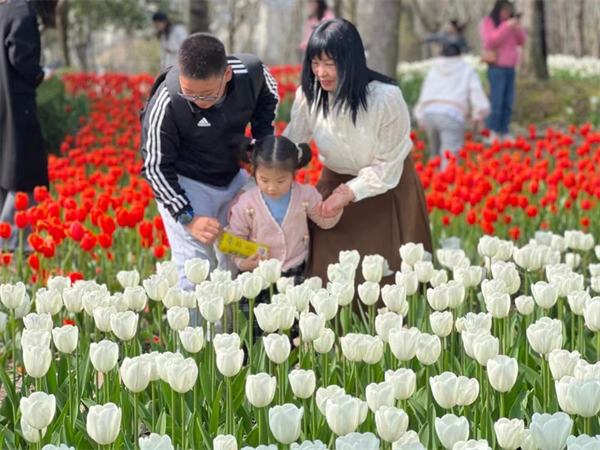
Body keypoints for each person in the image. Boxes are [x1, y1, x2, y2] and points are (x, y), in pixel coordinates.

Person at [284, 19, 433, 292]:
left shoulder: (385, 97)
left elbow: (388, 163)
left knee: (385, 278)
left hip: (387, 188)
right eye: (315, 63)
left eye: (329, 63)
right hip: (333, 188)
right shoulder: (310, 95)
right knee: (328, 276)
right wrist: (271, 164)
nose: (321, 72)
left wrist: (347, 193)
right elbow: (294, 141)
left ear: (350, 60)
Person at [140, 33, 279, 291]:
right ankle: (194, 330)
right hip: (185, 184)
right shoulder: (167, 100)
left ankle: (230, 328)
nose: (198, 102)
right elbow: (154, 166)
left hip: (231, 176)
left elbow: (268, 96)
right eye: (189, 93)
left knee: (242, 257)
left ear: (226, 75)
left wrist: (262, 143)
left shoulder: (252, 73)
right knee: (195, 269)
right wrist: (188, 218)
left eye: (206, 95)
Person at [228, 135, 343, 274]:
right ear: (254, 172)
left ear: (294, 173)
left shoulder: (306, 195)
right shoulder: (246, 203)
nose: (272, 187)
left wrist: (334, 208)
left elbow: (324, 221)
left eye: (280, 181)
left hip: (295, 270)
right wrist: (242, 263)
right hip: (258, 273)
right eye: (264, 180)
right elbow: (234, 239)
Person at [0, 0, 55, 251]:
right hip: (17, 106)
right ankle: (14, 244)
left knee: (6, 169)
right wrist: (40, 73)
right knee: (22, 171)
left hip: (3, 103)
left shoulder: (3, 10)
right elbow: (20, 55)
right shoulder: (22, 10)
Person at [414, 42, 490, 169]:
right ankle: (446, 187)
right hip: (451, 115)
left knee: (436, 156)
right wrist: (479, 112)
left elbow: (425, 92)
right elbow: (476, 90)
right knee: (450, 158)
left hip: (430, 113)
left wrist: (420, 116)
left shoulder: (434, 68)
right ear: (460, 54)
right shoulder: (466, 69)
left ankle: (432, 184)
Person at [480, 0, 526, 142]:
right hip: (496, 67)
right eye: (504, 10)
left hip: (510, 67)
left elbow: (521, 41)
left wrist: (517, 28)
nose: (506, 13)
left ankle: (503, 129)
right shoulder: (489, 21)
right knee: (496, 100)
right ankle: (491, 130)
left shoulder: (511, 23)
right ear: (498, 9)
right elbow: (490, 41)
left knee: (508, 100)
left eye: (509, 10)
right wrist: (506, 27)